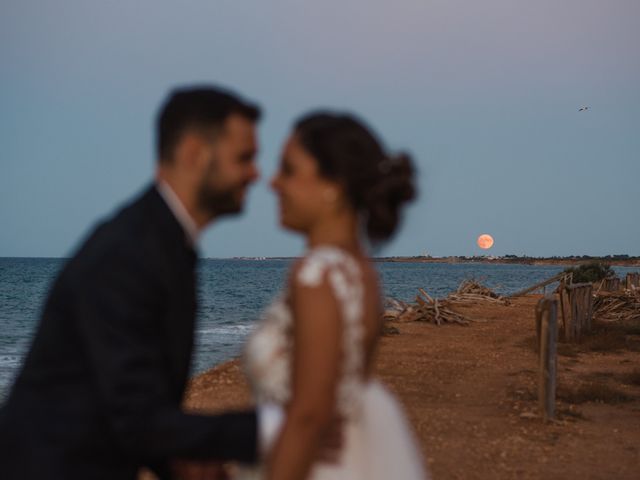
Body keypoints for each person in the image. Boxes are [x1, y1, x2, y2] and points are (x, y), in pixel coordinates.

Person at [0, 86, 263, 479]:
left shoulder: (162, 242)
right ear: (194, 152)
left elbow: (119, 403)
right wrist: (270, 429)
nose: (255, 173)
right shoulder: (129, 252)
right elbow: (137, 418)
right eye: (244, 158)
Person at [238, 112, 428, 479]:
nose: (273, 183)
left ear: (333, 186)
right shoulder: (360, 273)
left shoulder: (317, 274)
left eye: (288, 170)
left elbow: (309, 415)